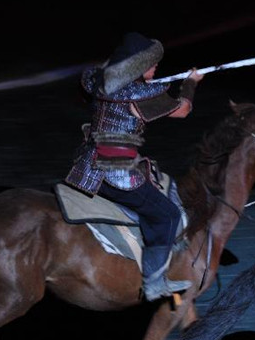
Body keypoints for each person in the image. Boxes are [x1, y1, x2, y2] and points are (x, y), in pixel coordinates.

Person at [65, 32, 204, 302]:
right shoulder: (139, 95)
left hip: (88, 165)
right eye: (150, 64)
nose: (155, 69)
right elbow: (183, 109)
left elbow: (102, 76)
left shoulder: (99, 83)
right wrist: (190, 84)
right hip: (115, 172)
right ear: (136, 67)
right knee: (168, 215)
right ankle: (154, 283)